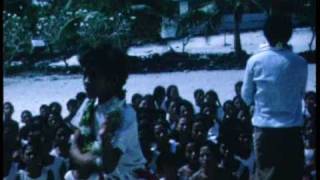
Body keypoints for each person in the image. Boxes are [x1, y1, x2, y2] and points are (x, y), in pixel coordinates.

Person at [241, 14, 308, 180]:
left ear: (266, 34)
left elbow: (246, 95)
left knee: (266, 176)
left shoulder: (255, 61)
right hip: (292, 130)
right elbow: (301, 92)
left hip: (265, 130)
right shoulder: (300, 62)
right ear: (289, 34)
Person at [69, 43, 146, 179]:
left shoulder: (126, 114)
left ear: (113, 80)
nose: (86, 81)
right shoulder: (88, 104)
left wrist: (105, 138)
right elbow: (74, 146)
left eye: (93, 76)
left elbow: (109, 166)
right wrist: (90, 160)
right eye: (84, 75)